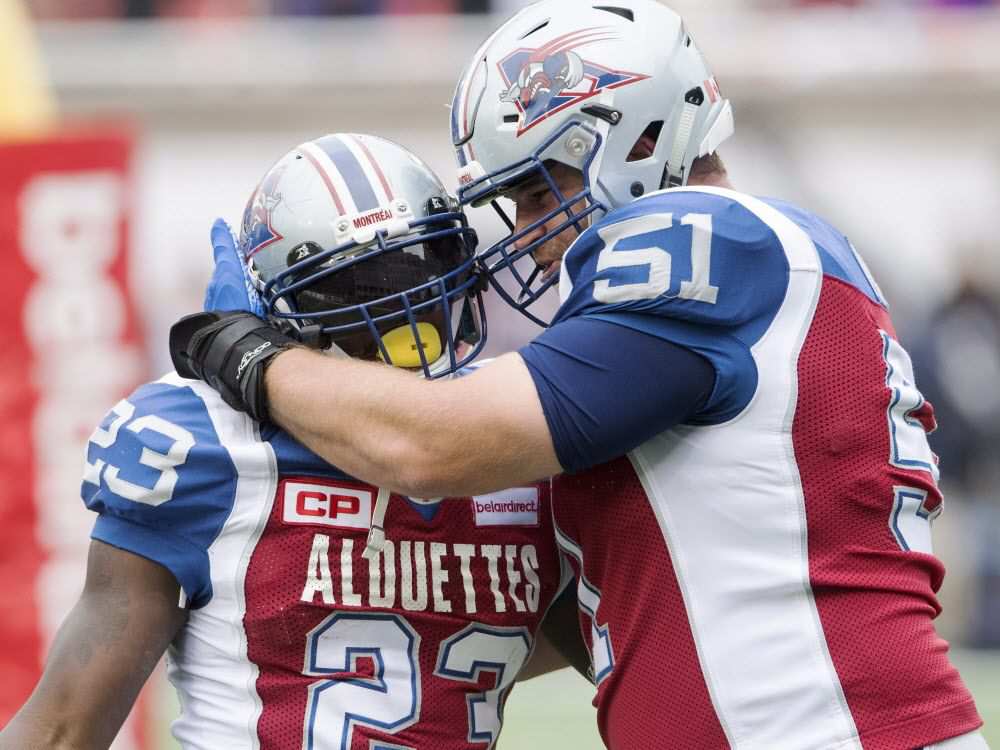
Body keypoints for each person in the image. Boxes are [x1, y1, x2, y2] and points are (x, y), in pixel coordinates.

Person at [169, 2, 988, 748]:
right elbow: (602, 615)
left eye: (535, 190)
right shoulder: (745, 265)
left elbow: (435, 444)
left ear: (635, 137)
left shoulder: (703, 235)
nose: (527, 234)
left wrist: (247, 353)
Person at [0, 134, 578, 750]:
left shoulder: (511, 436)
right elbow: (64, 725)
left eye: (421, 266)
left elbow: (616, 643)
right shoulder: (204, 445)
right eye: (358, 289)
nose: (401, 307)